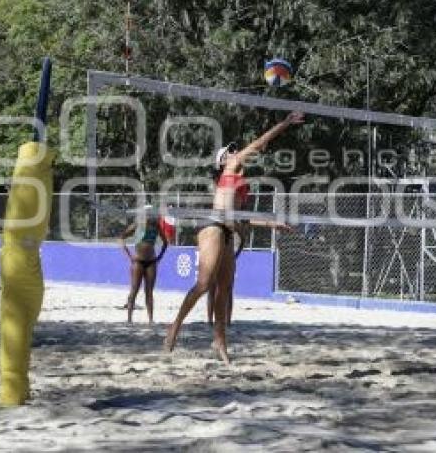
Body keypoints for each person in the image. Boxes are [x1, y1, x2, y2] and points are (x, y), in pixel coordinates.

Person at [165, 111, 304, 363]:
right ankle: (175, 325)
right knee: (205, 284)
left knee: (225, 289)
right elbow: (260, 144)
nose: (234, 152)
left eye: (233, 150)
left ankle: (220, 341)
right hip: (213, 226)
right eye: (229, 151)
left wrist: (272, 224)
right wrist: (284, 123)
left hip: (228, 230)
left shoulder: (241, 184)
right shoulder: (231, 167)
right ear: (222, 162)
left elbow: (241, 218)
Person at [120, 206, 169, 324]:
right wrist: (128, 255)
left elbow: (165, 242)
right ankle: (129, 319)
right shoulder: (138, 224)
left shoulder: (156, 226)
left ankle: (151, 320)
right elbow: (122, 237)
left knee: (149, 292)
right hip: (138, 262)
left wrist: (160, 257)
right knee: (134, 290)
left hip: (151, 262)